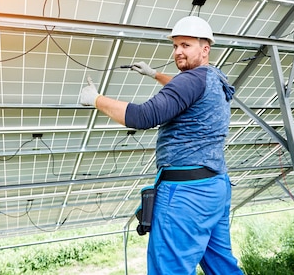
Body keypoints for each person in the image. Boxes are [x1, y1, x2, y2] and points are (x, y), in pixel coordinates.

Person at [80, 15, 244, 275]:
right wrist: (155, 74)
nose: (178, 51)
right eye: (175, 46)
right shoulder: (215, 77)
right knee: (222, 267)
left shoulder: (190, 80)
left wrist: (96, 99)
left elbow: (143, 116)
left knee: (168, 270)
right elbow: (188, 94)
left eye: (186, 45)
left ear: (205, 48)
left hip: (186, 193)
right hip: (215, 186)